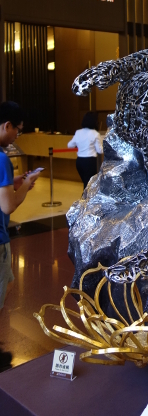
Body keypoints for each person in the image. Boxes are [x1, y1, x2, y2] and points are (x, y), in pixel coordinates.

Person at [0, 101, 39, 371]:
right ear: (7, 126)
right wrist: (25, 185)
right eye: (18, 130)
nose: (17, 136)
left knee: (8, 284)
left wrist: (13, 183)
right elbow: (8, 206)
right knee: (3, 287)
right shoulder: (2, 158)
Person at [68, 111, 103, 188]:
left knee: (86, 183)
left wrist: (79, 144)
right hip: (90, 162)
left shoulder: (78, 132)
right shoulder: (95, 134)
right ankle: (85, 196)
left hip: (79, 162)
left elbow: (70, 145)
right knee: (89, 185)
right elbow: (100, 150)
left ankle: (85, 195)